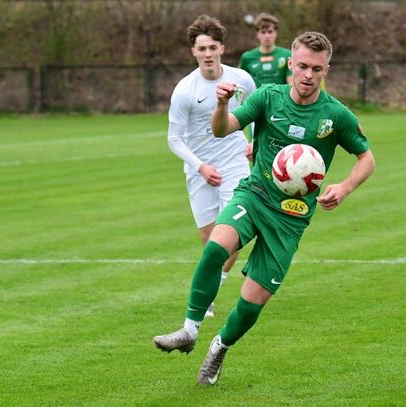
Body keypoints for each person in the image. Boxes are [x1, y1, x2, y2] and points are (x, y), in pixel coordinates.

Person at [153, 31, 375, 386]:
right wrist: (222, 104)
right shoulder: (268, 97)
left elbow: (367, 158)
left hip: (290, 219)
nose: (308, 75)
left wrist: (345, 187)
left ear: (326, 70)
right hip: (254, 195)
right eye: (302, 66)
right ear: (291, 64)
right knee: (215, 248)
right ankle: (189, 330)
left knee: (252, 302)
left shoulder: (335, 115)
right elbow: (222, 129)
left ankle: (220, 347)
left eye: (316, 69)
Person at [166, 14, 256, 317]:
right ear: (193, 51)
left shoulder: (242, 79)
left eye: (212, 47)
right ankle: (211, 287)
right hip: (199, 169)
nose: (207, 54)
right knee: (208, 238)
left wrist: (255, 141)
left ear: (222, 49)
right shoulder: (185, 90)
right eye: (201, 48)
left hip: (234, 162)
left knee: (231, 234)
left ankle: (212, 289)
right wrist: (201, 166)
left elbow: (258, 113)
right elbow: (174, 139)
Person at [238, 13, 293, 87]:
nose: (267, 36)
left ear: (276, 33)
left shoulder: (287, 55)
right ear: (258, 34)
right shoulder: (247, 57)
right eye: (263, 32)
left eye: (270, 32)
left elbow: (291, 85)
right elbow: (241, 84)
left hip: (280, 94)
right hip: (256, 94)